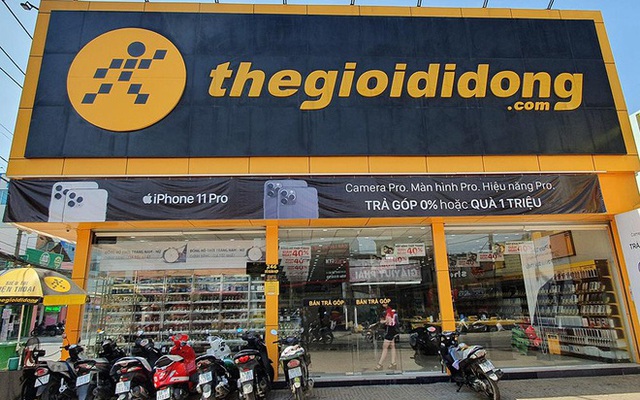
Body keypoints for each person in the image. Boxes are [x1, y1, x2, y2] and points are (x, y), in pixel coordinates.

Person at [375, 304, 397, 371]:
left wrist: (382, 321)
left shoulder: (387, 312)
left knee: (385, 347)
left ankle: (380, 364)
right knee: (392, 346)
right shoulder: (393, 311)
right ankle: (393, 363)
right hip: (393, 330)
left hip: (389, 330)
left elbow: (387, 321)